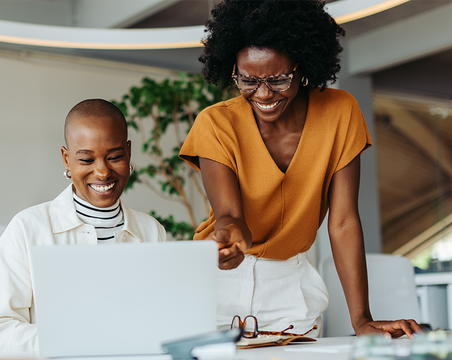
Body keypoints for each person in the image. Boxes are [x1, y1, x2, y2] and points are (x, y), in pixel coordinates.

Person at [179, 0, 422, 338]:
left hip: (290, 286)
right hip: (218, 281)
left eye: (279, 79)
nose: (263, 94)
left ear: (302, 66)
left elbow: (343, 222)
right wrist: (230, 238)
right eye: (247, 80)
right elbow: (231, 215)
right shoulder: (216, 123)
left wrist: (362, 320)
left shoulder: (340, 112)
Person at [0, 99, 167, 354]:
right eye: (86, 160)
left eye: (115, 157)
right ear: (66, 158)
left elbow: (164, 320)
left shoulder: (152, 231)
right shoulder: (27, 228)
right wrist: (78, 341)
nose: (102, 172)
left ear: (128, 152)